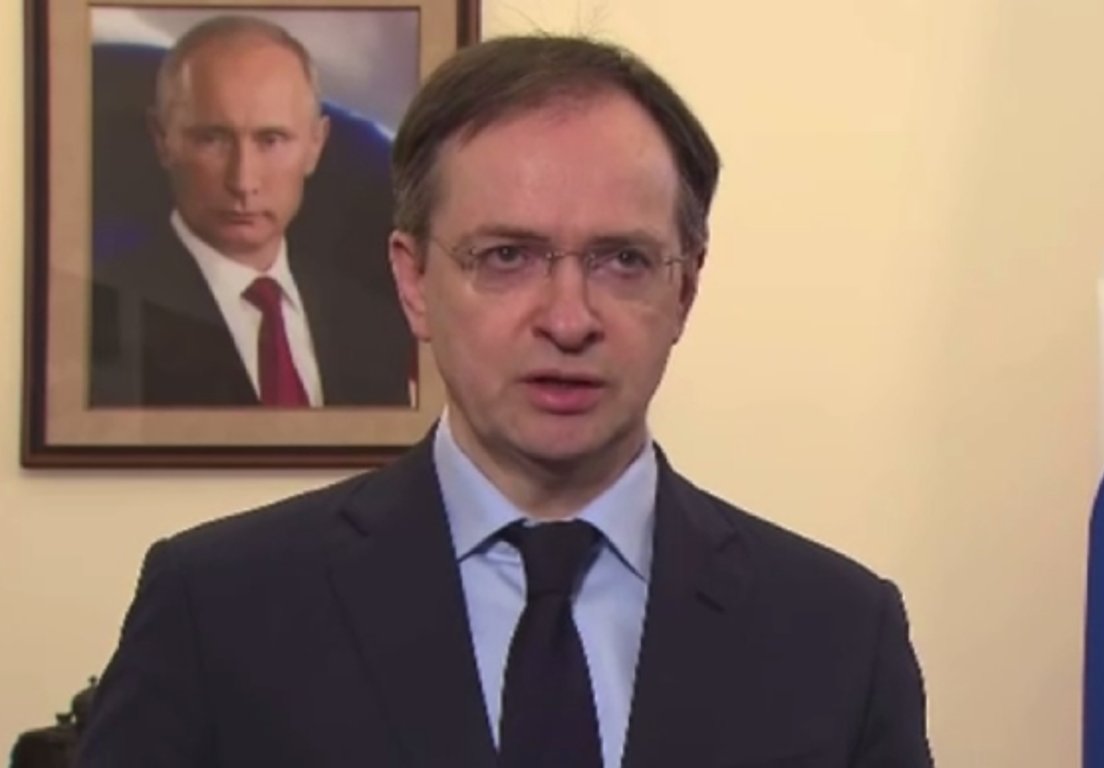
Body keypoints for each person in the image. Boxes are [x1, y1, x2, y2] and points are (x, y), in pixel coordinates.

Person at [76, 35, 934, 767]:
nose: (568, 319)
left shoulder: (838, 636)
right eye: (507, 257)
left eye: (624, 261)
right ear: (414, 281)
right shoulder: (218, 608)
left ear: (686, 289)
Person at [88, 15, 413, 407]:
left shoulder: (373, 328)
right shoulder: (100, 318)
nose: (243, 181)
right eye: (213, 139)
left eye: (271, 140)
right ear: (162, 140)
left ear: (316, 144)